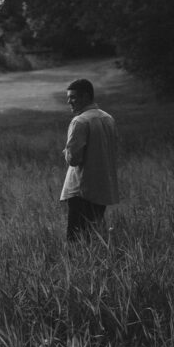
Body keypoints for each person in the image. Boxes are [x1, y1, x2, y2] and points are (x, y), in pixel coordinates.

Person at [60, 78, 119, 241]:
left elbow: (73, 159)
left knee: (75, 238)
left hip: (81, 189)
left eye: (72, 97)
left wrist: (66, 151)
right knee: (94, 235)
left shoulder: (80, 121)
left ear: (86, 97)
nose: (68, 101)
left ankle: (75, 266)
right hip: (102, 187)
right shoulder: (108, 118)